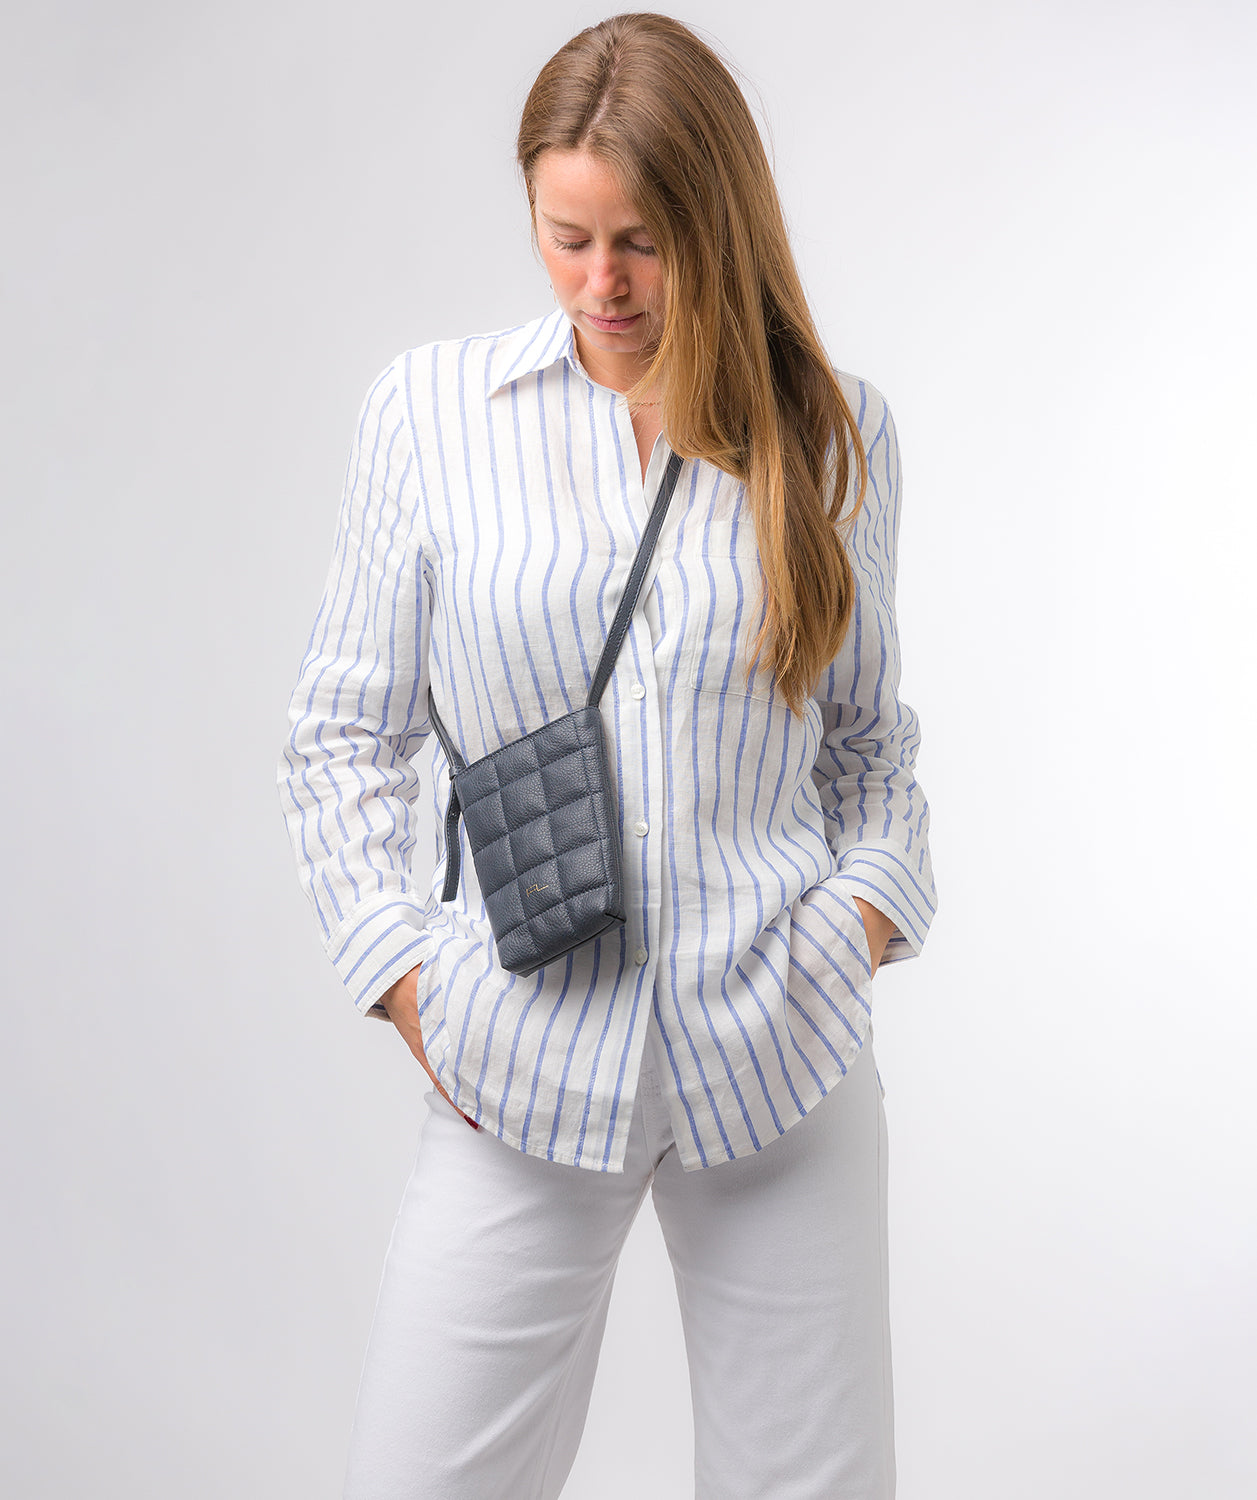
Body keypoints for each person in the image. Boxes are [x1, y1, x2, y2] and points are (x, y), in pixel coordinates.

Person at [277, 12, 937, 1498]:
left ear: (721, 220)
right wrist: (415, 987)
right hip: (515, 1056)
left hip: (780, 1059)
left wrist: (852, 930)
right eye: (565, 237)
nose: (601, 285)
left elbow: (869, 748)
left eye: (642, 242)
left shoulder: (835, 435)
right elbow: (340, 736)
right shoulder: (431, 416)